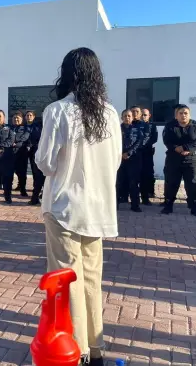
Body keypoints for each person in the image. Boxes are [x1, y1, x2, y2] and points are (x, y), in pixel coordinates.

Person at [35, 47, 122, 366]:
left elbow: (44, 162)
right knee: (90, 279)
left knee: (66, 278)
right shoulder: (110, 113)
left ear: (67, 73)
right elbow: (114, 162)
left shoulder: (58, 111)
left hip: (64, 207)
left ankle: (76, 350)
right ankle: (96, 348)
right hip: (98, 208)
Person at [161, 105, 196, 217]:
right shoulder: (170, 126)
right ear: (176, 115)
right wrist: (177, 148)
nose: (183, 115)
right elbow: (167, 140)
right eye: (181, 113)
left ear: (189, 114)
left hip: (192, 159)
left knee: (192, 184)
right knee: (171, 183)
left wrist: (187, 148)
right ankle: (168, 206)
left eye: (186, 113)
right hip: (174, 158)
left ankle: (194, 208)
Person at [117, 109, 143, 212]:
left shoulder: (138, 130)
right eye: (125, 116)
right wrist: (121, 153)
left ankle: (135, 205)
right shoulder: (117, 129)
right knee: (118, 182)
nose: (127, 118)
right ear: (121, 117)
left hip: (133, 160)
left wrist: (128, 153)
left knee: (134, 183)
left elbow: (139, 143)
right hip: (120, 159)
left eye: (129, 116)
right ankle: (115, 205)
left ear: (132, 117)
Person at [25, 110, 44, 205]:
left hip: (46, 153)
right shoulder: (32, 126)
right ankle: (35, 197)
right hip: (34, 153)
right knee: (37, 175)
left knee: (44, 176)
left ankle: (40, 196)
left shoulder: (49, 125)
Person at [11, 112, 31, 198]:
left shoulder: (26, 128)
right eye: (14, 118)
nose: (16, 119)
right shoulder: (9, 128)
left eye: (18, 118)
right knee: (11, 171)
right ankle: (8, 189)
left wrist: (16, 142)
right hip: (11, 153)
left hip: (21, 153)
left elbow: (25, 138)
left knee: (22, 172)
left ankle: (23, 189)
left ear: (22, 119)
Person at [140, 108, 158, 201]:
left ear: (149, 116)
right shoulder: (136, 125)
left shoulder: (152, 126)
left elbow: (154, 138)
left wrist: (144, 144)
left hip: (147, 152)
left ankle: (149, 192)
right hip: (137, 152)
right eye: (141, 114)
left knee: (149, 173)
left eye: (145, 115)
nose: (143, 116)